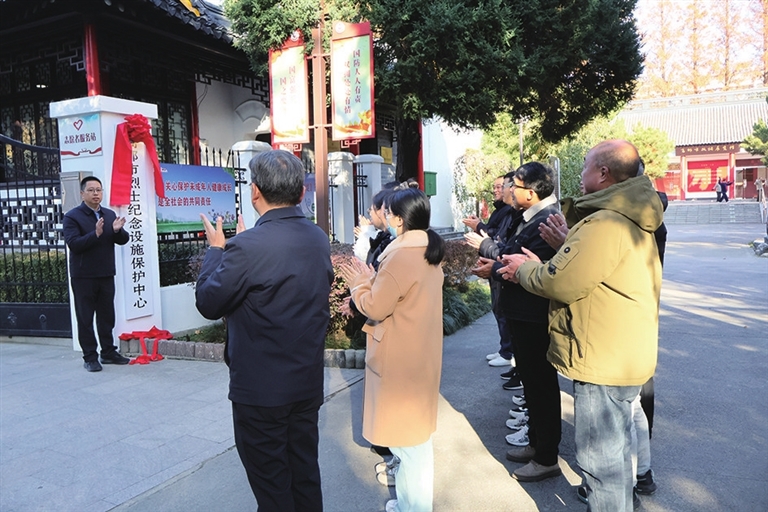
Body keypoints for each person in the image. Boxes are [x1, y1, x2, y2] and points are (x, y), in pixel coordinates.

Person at [499, 140, 663, 512]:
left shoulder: (605, 222)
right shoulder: (628, 215)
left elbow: (561, 282)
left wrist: (523, 269)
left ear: (603, 173)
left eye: (587, 165)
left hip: (603, 356)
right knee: (616, 451)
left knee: (601, 463)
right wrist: (565, 246)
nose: (581, 172)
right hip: (622, 351)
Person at [195, 150, 333, 512]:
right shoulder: (317, 237)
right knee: (304, 475)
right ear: (301, 192)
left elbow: (208, 302)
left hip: (260, 391)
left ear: (255, 191)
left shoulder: (247, 247)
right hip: (305, 383)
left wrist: (217, 250)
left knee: (272, 488)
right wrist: (242, 249)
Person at [340, 187, 445, 512]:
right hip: (419, 353)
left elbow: (375, 306)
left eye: (388, 213)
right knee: (415, 443)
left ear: (399, 220)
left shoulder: (401, 255)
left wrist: (359, 284)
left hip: (400, 358)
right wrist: (372, 280)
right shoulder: (426, 250)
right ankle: (412, 504)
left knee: (408, 446)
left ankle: (414, 507)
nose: (384, 216)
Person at [478, 163, 562, 482]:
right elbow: (512, 257)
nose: (509, 190)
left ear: (532, 191)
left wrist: (495, 267)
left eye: (515, 185)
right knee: (532, 384)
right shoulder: (528, 216)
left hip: (534, 316)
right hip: (522, 314)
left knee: (541, 385)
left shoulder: (547, 220)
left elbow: (526, 266)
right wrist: (497, 264)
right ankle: (537, 444)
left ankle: (546, 456)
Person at [62, 176, 130, 372]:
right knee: (85, 318)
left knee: (107, 316)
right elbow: (74, 244)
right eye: (91, 190)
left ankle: (108, 352)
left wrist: (116, 231)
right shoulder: (72, 217)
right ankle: (90, 356)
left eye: (98, 190)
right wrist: (95, 234)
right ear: (82, 193)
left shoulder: (109, 214)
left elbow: (123, 240)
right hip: (83, 276)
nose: (95, 194)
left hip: (106, 273)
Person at [463, 176, 519, 368]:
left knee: (504, 310)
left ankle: (508, 352)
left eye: (501, 186)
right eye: (494, 187)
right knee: (498, 307)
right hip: (495, 262)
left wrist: (480, 231)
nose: (497, 190)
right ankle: (506, 349)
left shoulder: (513, 213)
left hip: (503, 265)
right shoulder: (503, 211)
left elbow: (500, 241)